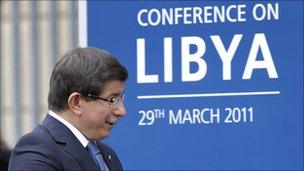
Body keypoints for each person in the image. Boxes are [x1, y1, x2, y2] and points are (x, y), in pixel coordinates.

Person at [9, 47, 128, 171]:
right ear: (76, 102)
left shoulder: (107, 155)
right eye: (112, 99)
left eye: (121, 98)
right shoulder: (35, 151)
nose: (122, 111)